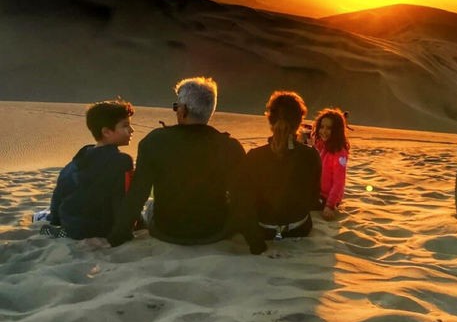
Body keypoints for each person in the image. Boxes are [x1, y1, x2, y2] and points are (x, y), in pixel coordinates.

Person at [105, 77, 246, 247]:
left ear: (183, 110)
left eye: (176, 106)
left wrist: (115, 238)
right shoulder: (230, 146)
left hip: (167, 232)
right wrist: (258, 246)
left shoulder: (155, 141)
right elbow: (241, 198)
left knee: (150, 207)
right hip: (215, 232)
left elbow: (138, 193)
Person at [240, 91, 321, 255]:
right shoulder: (311, 155)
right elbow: (313, 198)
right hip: (299, 229)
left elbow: (246, 202)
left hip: (264, 231)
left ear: (270, 120)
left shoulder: (254, 156)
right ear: (299, 122)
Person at [41, 100, 135, 239]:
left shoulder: (78, 160)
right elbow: (124, 200)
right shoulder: (122, 161)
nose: (131, 130)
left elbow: (60, 192)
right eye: (125, 125)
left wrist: (55, 220)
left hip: (72, 226)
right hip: (102, 229)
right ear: (107, 132)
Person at [312, 108, 350, 221]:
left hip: (326, 198)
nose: (324, 131)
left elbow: (339, 182)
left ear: (337, 131)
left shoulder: (340, 153)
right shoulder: (320, 145)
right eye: (322, 127)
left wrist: (330, 205)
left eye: (329, 128)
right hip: (315, 192)